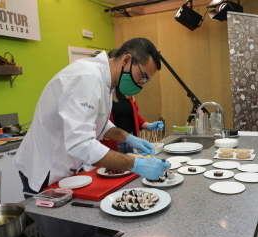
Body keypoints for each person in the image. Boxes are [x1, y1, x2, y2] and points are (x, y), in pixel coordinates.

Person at [14, 38, 170, 198]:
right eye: (142, 76)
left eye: (146, 81)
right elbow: (80, 144)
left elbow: (100, 123)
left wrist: (128, 138)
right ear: (127, 60)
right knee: (54, 221)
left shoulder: (105, 81)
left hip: (65, 168)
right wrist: (135, 164)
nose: (141, 85)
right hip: (45, 169)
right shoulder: (88, 78)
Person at [107, 48, 163, 154]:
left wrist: (148, 125)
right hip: (114, 142)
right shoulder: (107, 92)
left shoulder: (128, 91)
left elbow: (134, 115)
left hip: (131, 138)